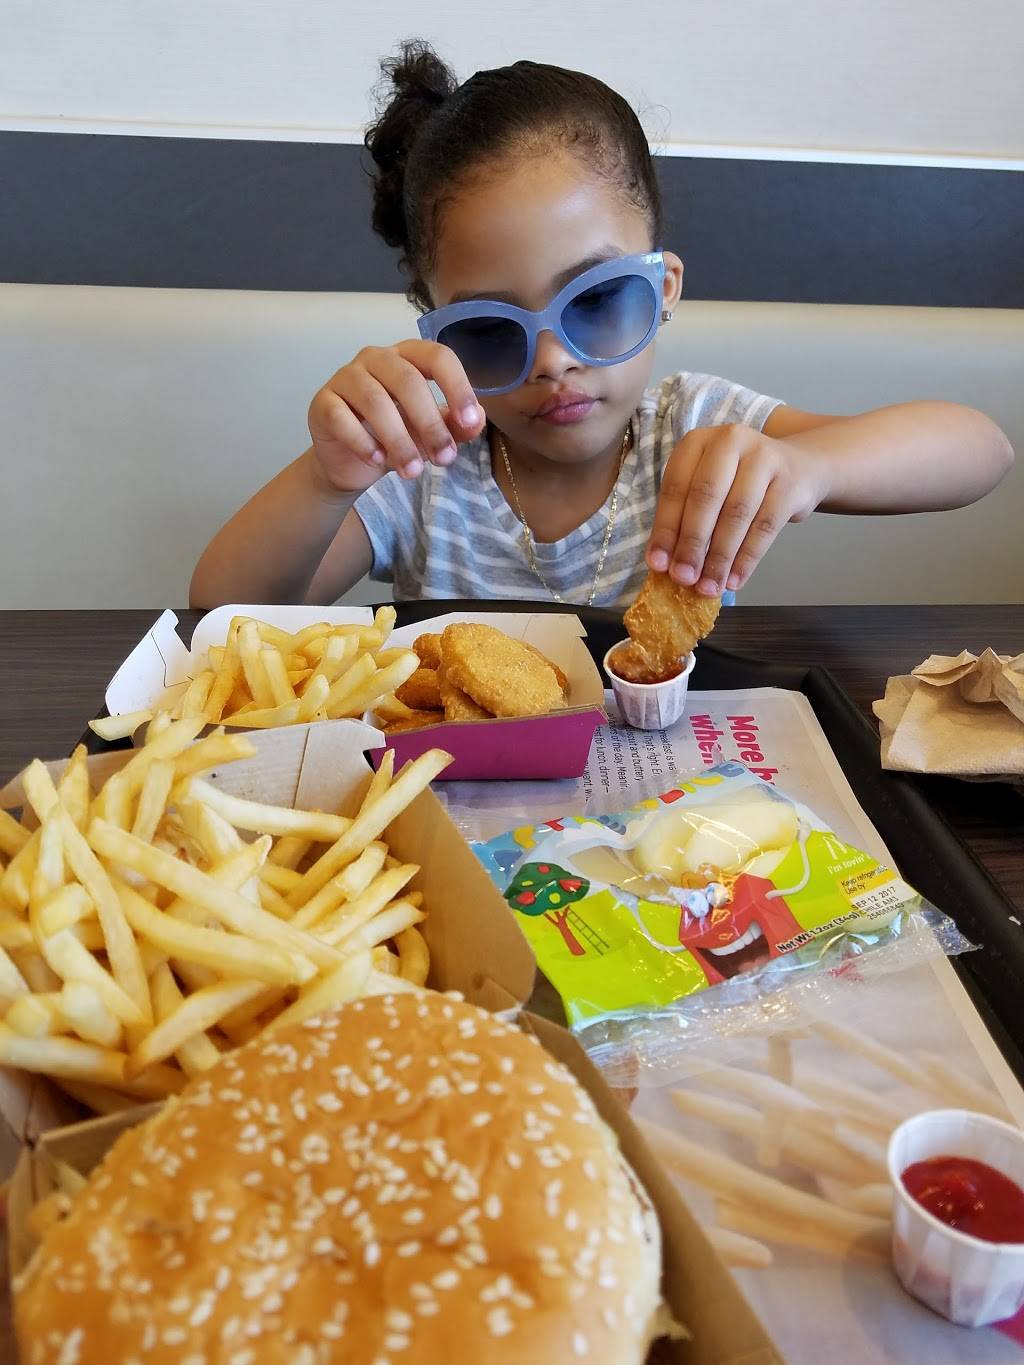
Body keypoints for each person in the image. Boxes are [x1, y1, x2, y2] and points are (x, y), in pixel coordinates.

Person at [190, 42, 1013, 611]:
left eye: (595, 300)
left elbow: (980, 449)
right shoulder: (423, 469)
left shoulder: (695, 431)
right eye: (490, 332)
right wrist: (328, 477)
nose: (553, 361)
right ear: (437, 339)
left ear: (664, 288)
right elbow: (221, 610)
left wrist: (809, 466)